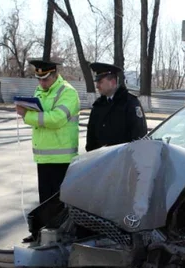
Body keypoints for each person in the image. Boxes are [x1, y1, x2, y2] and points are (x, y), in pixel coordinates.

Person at [16, 59, 80, 242]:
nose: (41, 83)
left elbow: (57, 119)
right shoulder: (40, 91)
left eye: (45, 79)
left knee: (59, 202)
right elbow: (42, 116)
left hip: (62, 157)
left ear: (55, 75)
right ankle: (42, 234)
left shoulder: (67, 92)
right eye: (39, 79)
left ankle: (61, 236)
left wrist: (27, 115)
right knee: (45, 201)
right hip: (44, 156)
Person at [86, 62, 148, 152]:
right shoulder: (98, 105)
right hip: (100, 161)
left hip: (123, 161)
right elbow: (91, 137)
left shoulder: (130, 102)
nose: (97, 86)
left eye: (100, 82)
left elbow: (139, 135)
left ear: (113, 82)